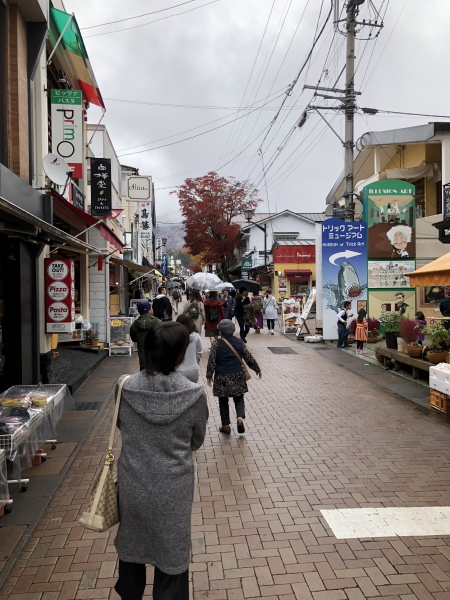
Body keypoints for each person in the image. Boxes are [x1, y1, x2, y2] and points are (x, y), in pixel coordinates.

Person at [114, 322, 209, 600]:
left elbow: (121, 425)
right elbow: (197, 440)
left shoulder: (124, 387)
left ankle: (130, 593)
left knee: (132, 545)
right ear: (180, 354)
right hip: (174, 487)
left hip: (133, 482)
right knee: (172, 550)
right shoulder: (194, 395)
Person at [206, 319, 261, 435]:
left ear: (220, 331)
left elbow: (211, 361)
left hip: (221, 375)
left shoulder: (216, 344)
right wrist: (257, 369)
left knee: (223, 400)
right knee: (239, 397)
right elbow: (248, 358)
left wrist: (209, 376)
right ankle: (240, 418)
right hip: (237, 374)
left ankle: (225, 426)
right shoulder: (240, 342)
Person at [129, 301, 161, 371]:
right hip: (157, 358)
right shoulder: (158, 322)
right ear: (148, 310)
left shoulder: (135, 325)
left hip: (143, 360)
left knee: (143, 379)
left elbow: (134, 339)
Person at [176, 314, 203, 383]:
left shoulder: (175, 337)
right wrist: (195, 362)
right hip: (193, 370)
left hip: (178, 371)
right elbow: (199, 353)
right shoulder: (196, 337)